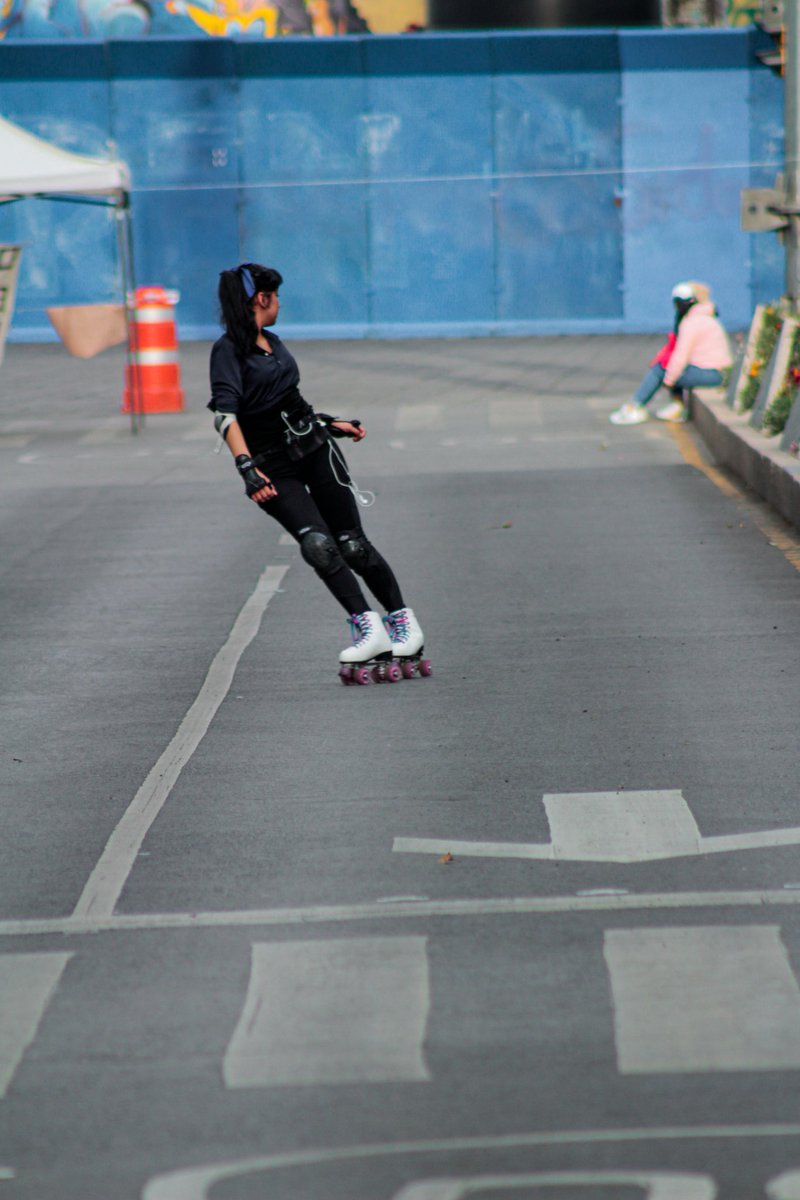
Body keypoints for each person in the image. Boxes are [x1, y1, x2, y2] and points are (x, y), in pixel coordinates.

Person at [208, 263, 427, 683]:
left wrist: (329, 424)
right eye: (276, 296)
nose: (280, 304)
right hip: (271, 465)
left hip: (315, 449)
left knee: (352, 544)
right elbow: (224, 415)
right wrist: (246, 467)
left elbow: (291, 401)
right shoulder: (228, 352)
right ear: (261, 298)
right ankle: (368, 627)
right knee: (318, 545)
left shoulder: (271, 342)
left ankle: (403, 624)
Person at [610, 281, 732, 426]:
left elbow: (680, 356)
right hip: (717, 373)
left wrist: (667, 380)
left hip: (711, 374)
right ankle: (677, 406)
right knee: (670, 368)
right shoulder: (705, 317)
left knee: (663, 369)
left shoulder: (692, 323)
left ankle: (636, 406)